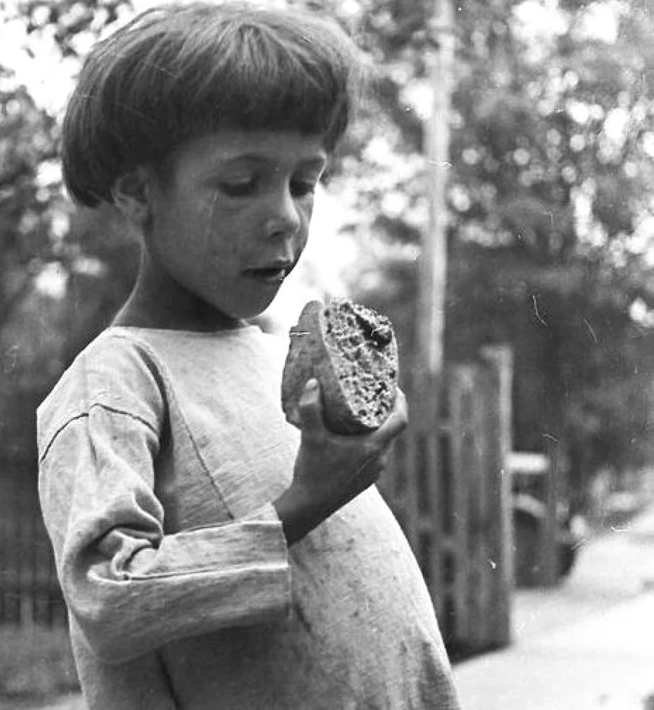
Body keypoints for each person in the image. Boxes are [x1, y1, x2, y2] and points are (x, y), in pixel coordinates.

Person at [37, 2, 462, 708]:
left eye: (305, 181)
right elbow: (107, 597)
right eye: (241, 184)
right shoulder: (114, 381)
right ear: (137, 191)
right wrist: (306, 501)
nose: (285, 218)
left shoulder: (275, 356)